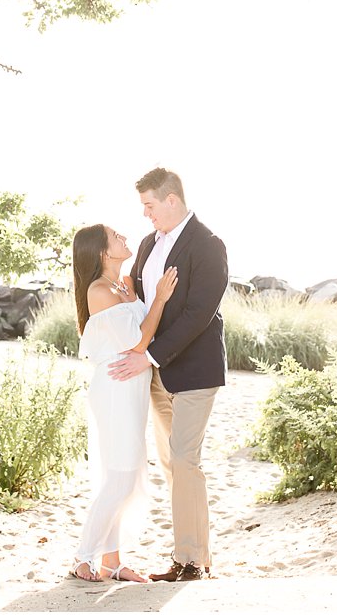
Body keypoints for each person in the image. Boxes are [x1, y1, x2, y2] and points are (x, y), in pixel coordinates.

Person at [108, 167, 229, 582]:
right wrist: (131, 302)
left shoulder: (208, 245)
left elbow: (200, 312)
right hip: (159, 375)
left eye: (149, 205)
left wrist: (151, 356)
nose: (145, 214)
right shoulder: (146, 245)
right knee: (172, 464)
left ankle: (192, 561)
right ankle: (191, 558)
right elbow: (148, 307)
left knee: (184, 459)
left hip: (194, 370)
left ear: (171, 199)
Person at [69, 222, 178, 583]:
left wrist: (142, 300)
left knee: (126, 475)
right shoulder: (99, 291)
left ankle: (111, 562)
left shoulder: (122, 285)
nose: (125, 239)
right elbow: (138, 343)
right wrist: (159, 299)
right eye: (116, 237)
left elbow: (143, 332)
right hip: (115, 389)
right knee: (121, 477)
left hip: (132, 389)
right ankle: (83, 556)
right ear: (102, 251)